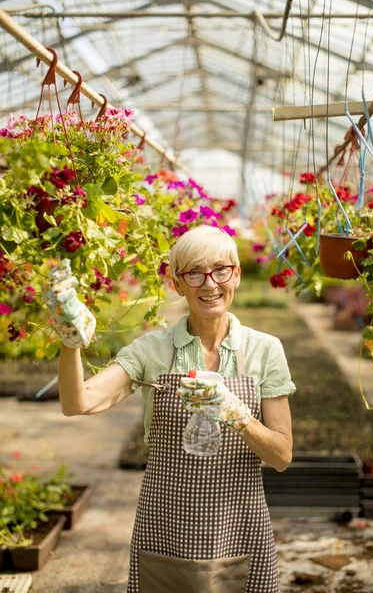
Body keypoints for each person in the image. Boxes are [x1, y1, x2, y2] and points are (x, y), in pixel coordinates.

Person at [44, 224, 296, 593]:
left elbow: (282, 455)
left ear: (236, 275)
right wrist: (70, 341)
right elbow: (76, 403)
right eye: (194, 273)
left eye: (220, 270)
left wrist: (236, 413)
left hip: (239, 526)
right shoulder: (152, 350)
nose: (210, 284)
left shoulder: (265, 350)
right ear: (177, 284)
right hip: (166, 526)